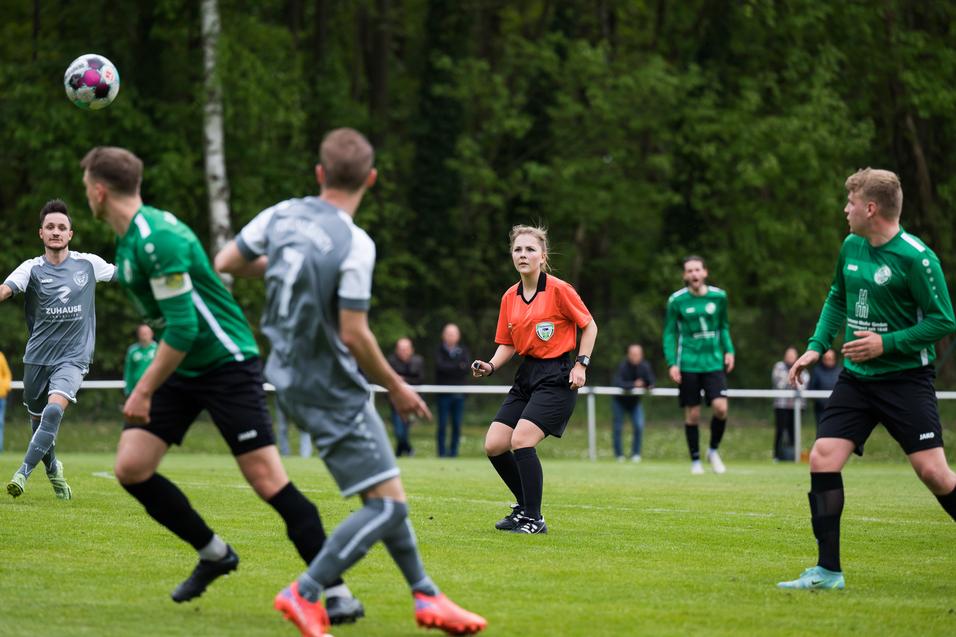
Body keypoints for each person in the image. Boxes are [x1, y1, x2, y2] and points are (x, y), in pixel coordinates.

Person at [215, 127, 487, 636]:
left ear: (320, 173)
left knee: (385, 488)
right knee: (388, 505)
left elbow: (227, 262)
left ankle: (427, 595)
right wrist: (397, 386)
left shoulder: (283, 214)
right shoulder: (354, 243)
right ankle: (306, 591)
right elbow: (354, 332)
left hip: (286, 376)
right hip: (331, 386)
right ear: (372, 179)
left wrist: (287, 269)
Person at [80, 146, 364, 624]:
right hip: (184, 366)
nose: (87, 192)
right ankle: (214, 553)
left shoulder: (156, 239)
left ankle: (337, 592)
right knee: (132, 467)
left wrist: (144, 389)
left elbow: (186, 327)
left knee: (268, 481)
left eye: (87, 185)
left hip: (226, 363)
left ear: (99, 190)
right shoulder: (129, 242)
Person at [779, 168, 956, 591]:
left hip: (905, 379)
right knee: (823, 457)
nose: (846, 209)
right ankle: (828, 571)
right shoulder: (851, 245)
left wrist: (887, 343)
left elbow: (943, 320)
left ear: (870, 208)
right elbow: (837, 297)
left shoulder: (917, 258)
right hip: (857, 379)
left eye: (851, 202)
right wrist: (816, 345)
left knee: (934, 473)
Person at [472, 224, 598, 535]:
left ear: (542, 256)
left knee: (522, 439)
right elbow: (509, 343)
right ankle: (523, 507)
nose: (523, 254)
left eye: (530, 249)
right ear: (512, 255)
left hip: (557, 375)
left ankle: (533, 517)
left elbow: (590, 326)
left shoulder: (559, 289)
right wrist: (489, 366)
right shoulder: (509, 297)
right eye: (518, 249)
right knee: (495, 444)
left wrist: (581, 365)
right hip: (526, 375)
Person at [4, 199, 116, 500]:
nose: (56, 232)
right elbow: (6, 289)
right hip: (37, 358)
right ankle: (53, 469)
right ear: (41, 233)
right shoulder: (31, 268)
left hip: (73, 357)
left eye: (61, 228)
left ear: (70, 234)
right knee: (40, 422)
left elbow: (126, 276)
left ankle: (22, 474)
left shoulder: (88, 264)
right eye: (50, 227)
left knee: (54, 410)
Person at [663, 255, 735, 475]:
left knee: (721, 408)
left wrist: (729, 350)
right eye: (689, 271)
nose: (694, 274)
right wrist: (672, 363)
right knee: (693, 414)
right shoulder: (676, 301)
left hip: (713, 361)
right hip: (689, 363)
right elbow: (669, 333)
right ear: (685, 275)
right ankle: (695, 460)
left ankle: (713, 450)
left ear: (705, 272)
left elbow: (723, 326)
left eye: (697, 270)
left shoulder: (719, 297)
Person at [611, 343, 655, 462]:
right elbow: (617, 383)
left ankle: (636, 454)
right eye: (633, 354)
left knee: (639, 425)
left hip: (635, 402)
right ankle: (619, 455)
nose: (635, 357)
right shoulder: (623, 366)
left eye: (638, 354)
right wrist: (634, 384)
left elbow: (651, 381)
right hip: (619, 401)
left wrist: (647, 385)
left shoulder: (645, 366)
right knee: (618, 428)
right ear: (629, 355)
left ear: (641, 355)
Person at [434, 323, 471, 458]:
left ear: (458, 336)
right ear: (443, 336)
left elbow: (466, 368)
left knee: (456, 424)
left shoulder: (464, 350)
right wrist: (457, 366)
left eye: (453, 334)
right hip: (443, 394)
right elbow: (440, 367)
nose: (451, 337)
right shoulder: (439, 350)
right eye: (448, 334)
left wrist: (454, 367)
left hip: (459, 393)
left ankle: (453, 453)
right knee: (442, 424)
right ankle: (441, 453)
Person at [387, 337, 424, 456]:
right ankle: (408, 450)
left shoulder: (418, 361)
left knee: (404, 431)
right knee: (399, 432)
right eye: (400, 349)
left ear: (411, 350)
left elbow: (419, 380)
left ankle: (398, 453)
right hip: (396, 403)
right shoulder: (391, 361)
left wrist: (402, 379)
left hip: (412, 403)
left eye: (405, 349)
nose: (403, 352)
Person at [771, 347, 807, 462]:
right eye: (789, 355)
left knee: (795, 432)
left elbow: (803, 385)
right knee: (780, 430)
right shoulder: (779, 366)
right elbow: (779, 383)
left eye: (793, 356)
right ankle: (777, 456)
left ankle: (794, 456)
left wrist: (790, 380)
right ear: (785, 356)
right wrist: (793, 379)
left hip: (797, 406)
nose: (791, 358)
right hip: (781, 405)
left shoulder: (802, 367)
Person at [806, 349, 842, 429]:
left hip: (837, 409)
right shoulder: (816, 371)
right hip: (820, 410)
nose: (829, 360)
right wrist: (822, 402)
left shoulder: (840, 371)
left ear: (834, 359)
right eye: (826, 358)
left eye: (831, 358)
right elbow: (811, 389)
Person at [123, 323, 157, 396]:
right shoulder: (132, 351)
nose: (144, 335)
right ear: (138, 335)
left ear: (152, 334)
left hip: (155, 388)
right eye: (142, 333)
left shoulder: (158, 349)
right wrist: (128, 389)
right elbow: (129, 371)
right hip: (137, 389)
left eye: (146, 333)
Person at [0, 350, 10, 453]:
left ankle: (0, 448)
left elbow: (7, 374)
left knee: (0, 423)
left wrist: (5, 386)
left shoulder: (1, 356)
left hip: (1, 396)